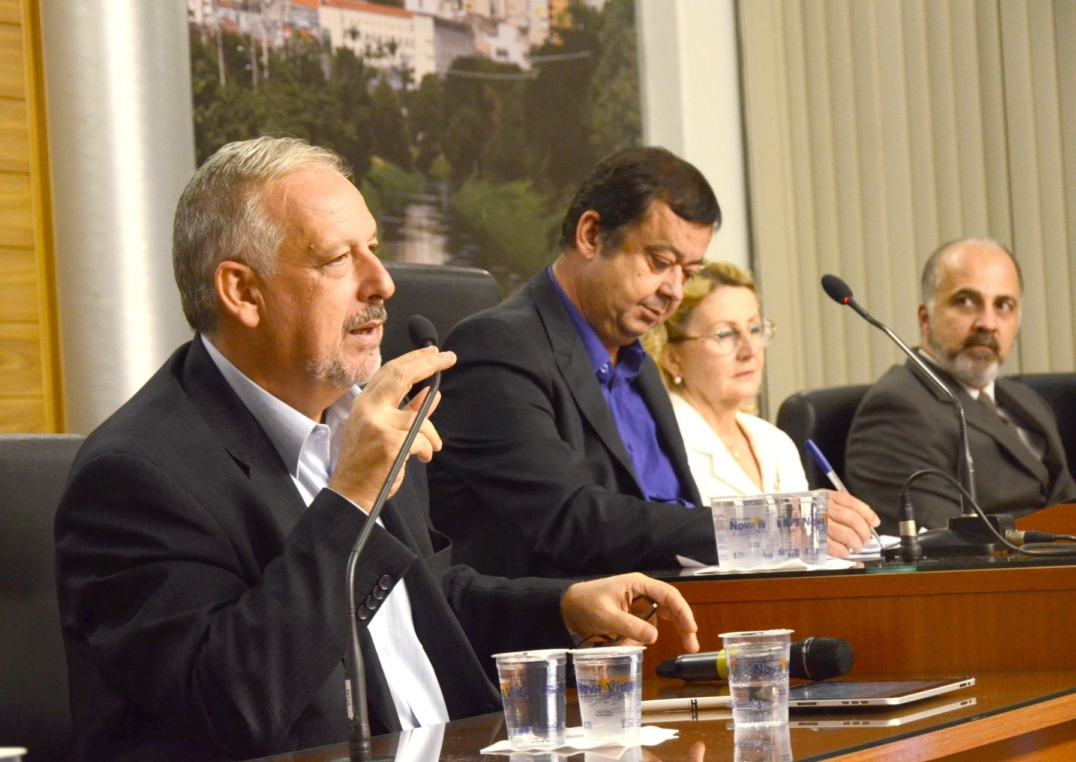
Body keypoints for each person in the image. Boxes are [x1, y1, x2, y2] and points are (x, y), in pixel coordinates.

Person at [54, 137, 700, 761]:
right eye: (339, 260)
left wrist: (561, 605)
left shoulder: (361, 416)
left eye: (375, 250)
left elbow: (427, 602)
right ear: (243, 292)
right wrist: (351, 495)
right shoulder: (137, 476)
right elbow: (233, 703)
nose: (383, 282)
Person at [427, 147, 876, 579]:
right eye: (660, 262)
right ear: (591, 236)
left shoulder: (638, 364)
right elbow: (572, 521)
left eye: (689, 273)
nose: (675, 290)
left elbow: (670, 518)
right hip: (559, 639)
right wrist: (763, 526)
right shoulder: (499, 347)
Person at [846, 238, 1076, 532]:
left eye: (1003, 305)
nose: (987, 323)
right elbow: (947, 544)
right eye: (966, 302)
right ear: (925, 318)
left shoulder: (1025, 399)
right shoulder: (896, 409)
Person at [642, 262, 806, 499]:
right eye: (725, 334)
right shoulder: (661, 446)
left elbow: (802, 536)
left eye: (754, 328)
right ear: (673, 358)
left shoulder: (775, 442)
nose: (749, 350)